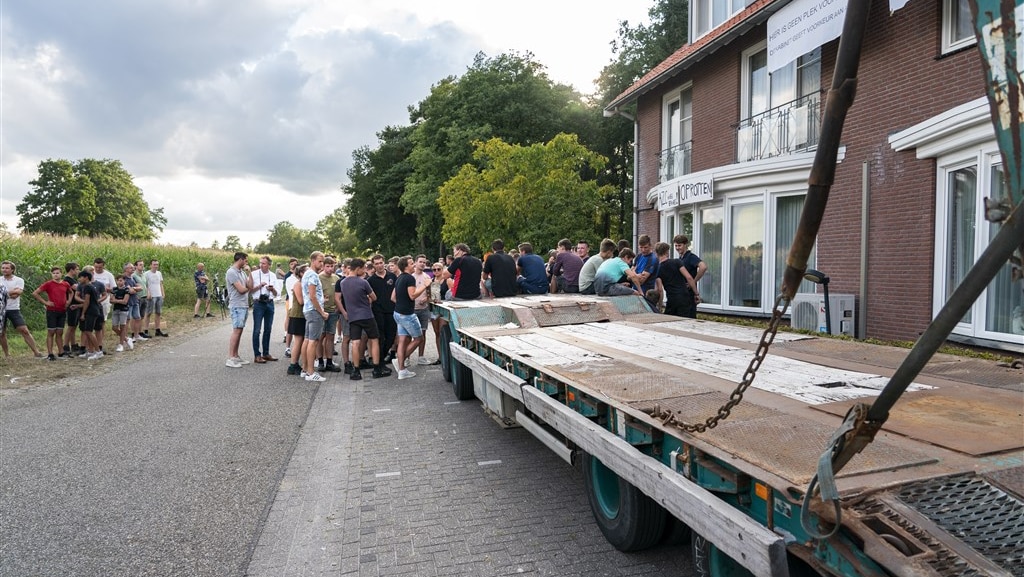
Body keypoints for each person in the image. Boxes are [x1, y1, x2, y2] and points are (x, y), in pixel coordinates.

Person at [339, 258, 392, 380]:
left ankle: (356, 370)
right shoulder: (363, 282)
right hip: (367, 315)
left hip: (353, 317)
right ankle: (377, 368)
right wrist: (366, 299)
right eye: (363, 269)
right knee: (374, 340)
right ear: (358, 268)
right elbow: (373, 297)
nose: (364, 271)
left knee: (355, 342)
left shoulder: (343, 283)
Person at [392, 255, 429, 379]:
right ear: (406, 266)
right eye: (412, 263)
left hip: (398, 313)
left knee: (402, 340)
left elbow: (393, 297)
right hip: (407, 315)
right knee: (419, 339)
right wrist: (425, 285)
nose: (414, 265)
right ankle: (400, 362)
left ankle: (402, 370)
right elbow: (412, 296)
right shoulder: (409, 278)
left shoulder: (399, 278)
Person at [0, 261, 42, 358]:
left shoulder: (19, 280)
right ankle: (7, 354)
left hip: (13, 308)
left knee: (24, 330)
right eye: (3, 268)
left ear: (12, 269)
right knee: (1, 333)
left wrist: (2, 294)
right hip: (1, 309)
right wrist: (10, 293)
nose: (4, 270)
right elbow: (13, 294)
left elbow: (17, 293)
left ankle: (36, 352)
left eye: (7, 268)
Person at [300, 252, 329, 382]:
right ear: (312, 260)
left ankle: (305, 369)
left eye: (322, 261)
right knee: (313, 341)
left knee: (307, 339)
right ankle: (311, 372)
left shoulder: (307, 273)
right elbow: (312, 296)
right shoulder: (312, 275)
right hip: (314, 311)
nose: (321, 264)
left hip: (308, 310)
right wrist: (322, 312)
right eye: (320, 261)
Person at [31, 266, 71, 360]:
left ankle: (61, 352)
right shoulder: (49, 284)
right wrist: (46, 302)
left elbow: (71, 292)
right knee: (51, 332)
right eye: (54, 273)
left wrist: (68, 301)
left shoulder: (65, 284)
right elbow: (35, 293)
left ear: (61, 274)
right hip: (52, 311)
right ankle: (50, 353)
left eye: (57, 273)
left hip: (62, 310)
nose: (56, 275)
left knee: (60, 332)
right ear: (51, 274)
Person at [225, 252, 253, 368]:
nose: (246, 262)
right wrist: (249, 288)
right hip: (236, 305)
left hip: (244, 304)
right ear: (240, 260)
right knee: (236, 330)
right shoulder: (231, 272)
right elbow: (241, 289)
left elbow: (249, 284)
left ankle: (236, 356)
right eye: (245, 260)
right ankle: (231, 357)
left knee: (240, 330)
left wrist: (249, 273)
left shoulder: (241, 272)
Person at [367, 254, 397, 363]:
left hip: (391, 311)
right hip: (378, 311)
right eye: (376, 264)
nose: (379, 265)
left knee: (391, 336)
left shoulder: (392, 277)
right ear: (373, 265)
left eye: (381, 263)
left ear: (384, 263)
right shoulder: (370, 280)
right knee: (380, 337)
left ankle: (381, 357)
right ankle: (379, 361)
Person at [251, 255, 278, 364]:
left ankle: (266, 353)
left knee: (268, 329)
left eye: (264, 263)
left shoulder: (273, 275)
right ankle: (257, 355)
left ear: (269, 265)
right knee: (257, 330)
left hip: (269, 303)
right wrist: (260, 286)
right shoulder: (253, 274)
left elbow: (277, 293)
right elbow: (250, 290)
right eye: (260, 263)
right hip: (258, 303)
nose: (261, 265)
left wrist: (272, 289)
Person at [73, 269, 104, 361]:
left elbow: (87, 301)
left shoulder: (87, 287)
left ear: (86, 277)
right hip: (93, 310)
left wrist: (83, 313)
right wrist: (78, 306)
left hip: (91, 311)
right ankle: (90, 351)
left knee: (89, 332)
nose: (79, 279)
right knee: (87, 331)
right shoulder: (89, 287)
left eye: (81, 277)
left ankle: (98, 351)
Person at [674, 234, 707, 318]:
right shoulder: (681, 258)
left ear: (685, 245)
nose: (677, 248)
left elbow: (703, 267)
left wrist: (694, 281)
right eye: (676, 245)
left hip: (689, 294)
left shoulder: (690, 257)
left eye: (679, 245)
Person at [317, 256, 341, 373]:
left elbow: (339, 294)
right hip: (321, 311)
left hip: (333, 311)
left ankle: (329, 361)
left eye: (332, 266)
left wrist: (338, 306)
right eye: (327, 266)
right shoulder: (319, 278)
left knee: (330, 336)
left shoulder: (336, 278)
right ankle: (320, 361)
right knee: (320, 337)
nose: (330, 269)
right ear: (323, 266)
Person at [411, 255, 434, 365]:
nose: (422, 264)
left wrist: (426, 298)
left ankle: (421, 356)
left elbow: (430, 293)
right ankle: (406, 357)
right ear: (415, 263)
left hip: (424, 309)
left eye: (424, 262)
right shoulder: (410, 277)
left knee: (423, 333)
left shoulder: (427, 277)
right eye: (420, 262)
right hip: (412, 309)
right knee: (408, 335)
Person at [285, 263, 308, 376]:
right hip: (297, 315)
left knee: (302, 340)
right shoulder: (298, 284)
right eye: (306, 271)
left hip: (302, 315)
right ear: (301, 273)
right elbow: (301, 301)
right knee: (298, 340)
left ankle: (295, 364)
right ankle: (292, 365)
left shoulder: (304, 284)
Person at [144, 259, 168, 337]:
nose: (155, 266)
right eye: (154, 264)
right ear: (150, 265)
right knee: (148, 313)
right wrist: (148, 293)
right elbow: (145, 285)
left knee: (158, 312)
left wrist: (163, 293)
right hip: (151, 296)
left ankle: (157, 330)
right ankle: (146, 330)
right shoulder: (146, 274)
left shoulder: (159, 273)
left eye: (157, 264)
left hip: (159, 295)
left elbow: (160, 284)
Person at [62, 262, 81, 355]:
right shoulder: (67, 280)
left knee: (74, 326)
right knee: (70, 326)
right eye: (77, 269)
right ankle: (65, 345)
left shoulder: (73, 279)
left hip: (76, 305)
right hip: (72, 305)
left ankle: (73, 344)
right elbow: (77, 289)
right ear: (71, 270)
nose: (78, 271)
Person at [109, 275, 131, 352]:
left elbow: (125, 301)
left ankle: (121, 344)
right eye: (118, 280)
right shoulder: (114, 289)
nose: (119, 282)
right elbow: (111, 300)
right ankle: (126, 339)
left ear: (124, 281)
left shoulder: (126, 289)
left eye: (121, 280)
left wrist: (116, 300)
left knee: (122, 327)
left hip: (124, 310)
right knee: (114, 327)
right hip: (116, 309)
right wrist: (119, 300)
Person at [131, 260, 149, 342]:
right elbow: (133, 286)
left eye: (143, 265)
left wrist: (148, 293)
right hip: (138, 297)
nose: (142, 266)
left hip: (144, 296)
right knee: (135, 317)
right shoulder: (133, 276)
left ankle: (139, 332)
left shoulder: (143, 275)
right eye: (140, 265)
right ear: (135, 266)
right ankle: (133, 333)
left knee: (141, 316)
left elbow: (146, 285)